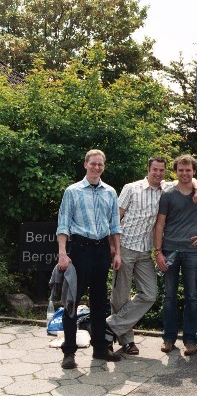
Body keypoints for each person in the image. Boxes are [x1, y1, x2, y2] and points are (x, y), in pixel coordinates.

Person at [106, 157, 197, 355]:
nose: (158, 174)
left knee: (150, 294)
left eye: (161, 170)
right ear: (148, 169)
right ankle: (126, 341)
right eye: (155, 170)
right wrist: (114, 248)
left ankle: (108, 327)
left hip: (145, 251)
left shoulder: (166, 189)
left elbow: (189, 179)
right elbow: (116, 218)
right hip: (125, 247)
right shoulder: (131, 188)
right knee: (120, 297)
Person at [56, 149, 122, 369]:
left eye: (100, 164)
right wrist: (63, 253)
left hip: (101, 250)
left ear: (103, 166)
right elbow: (63, 224)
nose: (96, 168)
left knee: (100, 301)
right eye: (93, 164)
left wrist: (117, 252)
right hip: (79, 249)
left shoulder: (110, 192)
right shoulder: (72, 191)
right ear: (85, 165)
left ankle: (100, 349)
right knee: (72, 301)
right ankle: (69, 352)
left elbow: (114, 226)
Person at [154, 154, 197, 356]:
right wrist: (158, 251)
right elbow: (160, 223)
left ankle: (190, 340)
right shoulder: (168, 194)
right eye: (181, 170)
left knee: (192, 296)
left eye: (188, 170)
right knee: (169, 296)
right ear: (176, 171)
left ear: (194, 172)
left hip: (191, 251)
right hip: (170, 250)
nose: (185, 173)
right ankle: (168, 338)